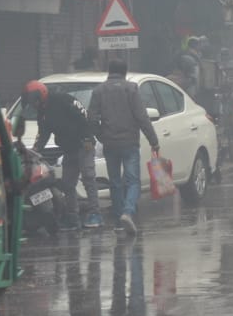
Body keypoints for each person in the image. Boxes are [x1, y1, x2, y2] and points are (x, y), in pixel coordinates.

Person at [87, 58, 160, 236]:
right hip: (130, 143)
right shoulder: (131, 89)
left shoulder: (98, 91)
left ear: (109, 71)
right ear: (125, 72)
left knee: (115, 183)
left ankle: (119, 221)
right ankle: (128, 212)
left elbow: (91, 118)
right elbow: (142, 117)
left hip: (110, 144)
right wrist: (153, 141)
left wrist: (101, 136)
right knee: (133, 181)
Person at [22, 80, 103, 231]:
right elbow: (43, 133)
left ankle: (95, 214)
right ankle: (73, 218)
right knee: (68, 183)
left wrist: (87, 137)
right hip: (69, 149)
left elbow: (83, 115)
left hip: (83, 144)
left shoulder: (63, 100)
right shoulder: (42, 113)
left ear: (41, 95)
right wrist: (35, 150)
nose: (33, 104)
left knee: (88, 178)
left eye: (34, 100)